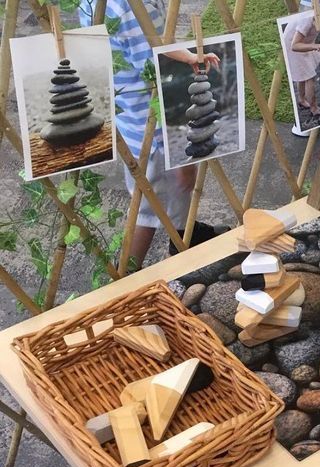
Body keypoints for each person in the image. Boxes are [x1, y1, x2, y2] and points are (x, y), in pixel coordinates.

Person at [79, 0, 225, 270]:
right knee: (148, 207)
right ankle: (128, 272)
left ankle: (183, 236)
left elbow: (157, 47)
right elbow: (157, 70)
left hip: (131, 121)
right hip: (152, 129)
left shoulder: (95, 4)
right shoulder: (131, 8)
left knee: (169, 194)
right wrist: (176, 141)